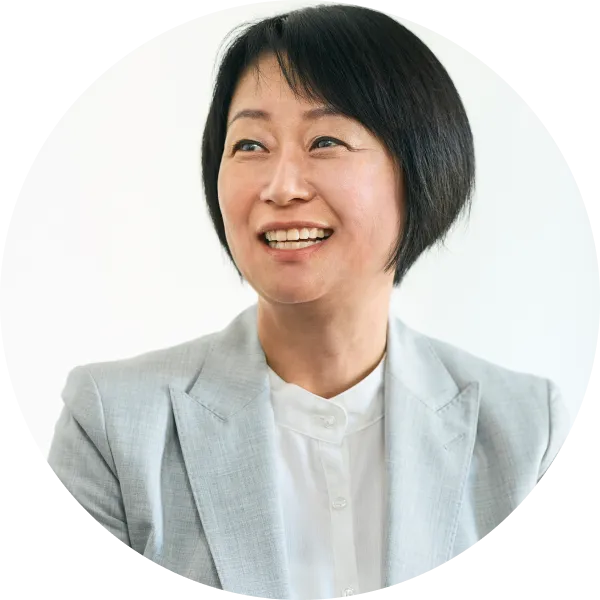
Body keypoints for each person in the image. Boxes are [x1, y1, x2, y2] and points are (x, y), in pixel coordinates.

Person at [47, 4, 570, 598]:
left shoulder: (526, 431)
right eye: (250, 145)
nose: (281, 187)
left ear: (422, 167)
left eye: (325, 141)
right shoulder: (112, 425)